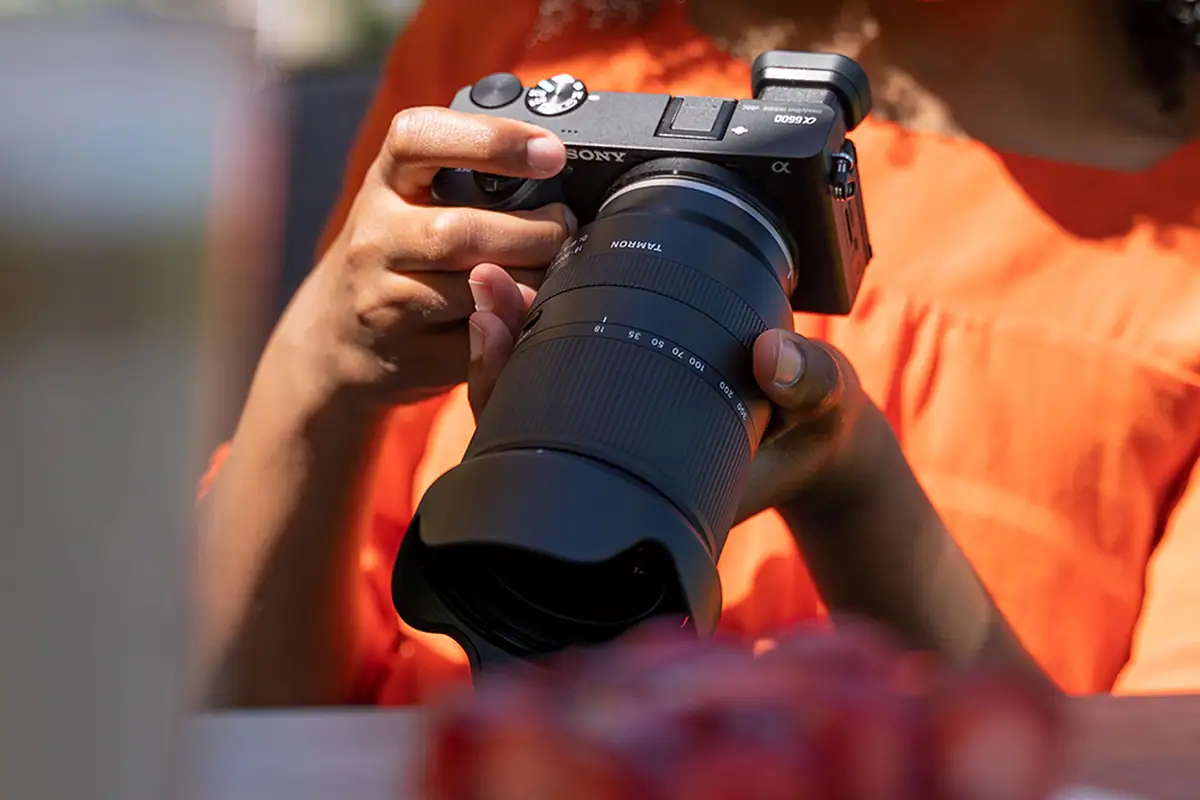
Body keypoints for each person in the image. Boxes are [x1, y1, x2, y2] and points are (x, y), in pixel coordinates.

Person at [196, 0, 1200, 708]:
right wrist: (319, 371)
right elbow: (243, 711)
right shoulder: (512, 40)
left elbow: (1137, 775)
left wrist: (853, 489)